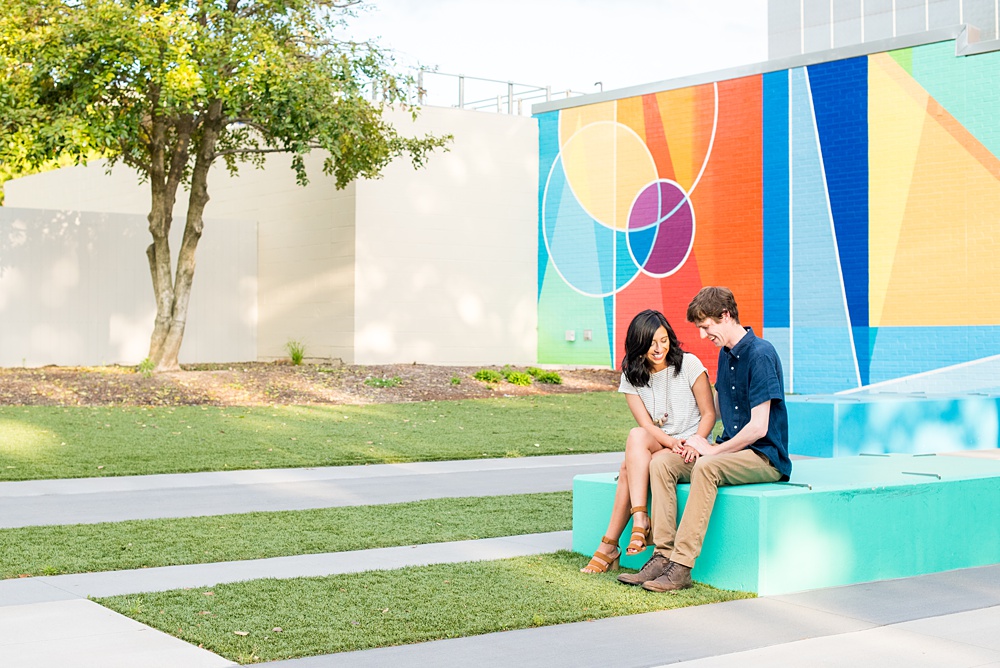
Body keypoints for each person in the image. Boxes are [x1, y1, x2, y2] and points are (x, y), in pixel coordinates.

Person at [617, 286, 791, 591]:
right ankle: (661, 556)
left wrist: (712, 450)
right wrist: (694, 444)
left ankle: (681, 567)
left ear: (725, 316)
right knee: (662, 466)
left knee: (706, 468)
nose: (702, 335)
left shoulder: (761, 354)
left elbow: (759, 427)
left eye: (705, 326)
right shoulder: (726, 355)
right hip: (730, 451)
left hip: (764, 456)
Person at [581, 309, 715, 573]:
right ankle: (640, 516)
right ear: (638, 344)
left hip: (691, 445)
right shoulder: (632, 376)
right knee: (636, 434)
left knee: (628, 468)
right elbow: (645, 425)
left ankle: (610, 545)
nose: (658, 348)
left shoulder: (689, 364)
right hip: (662, 441)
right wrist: (669, 441)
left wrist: (694, 441)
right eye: (651, 343)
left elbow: (709, 413)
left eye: (663, 340)